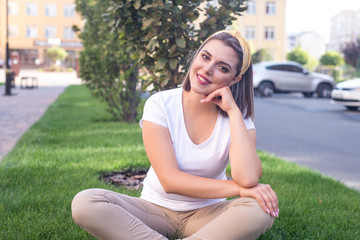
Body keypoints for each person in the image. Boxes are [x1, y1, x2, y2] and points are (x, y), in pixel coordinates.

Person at [71, 30, 279, 240]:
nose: (207, 69)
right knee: (86, 202)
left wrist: (233, 112)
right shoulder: (161, 103)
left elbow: (248, 177)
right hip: (154, 211)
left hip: (209, 216)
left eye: (222, 68)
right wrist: (239, 189)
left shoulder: (238, 118)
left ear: (235, 79)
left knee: (260, 208)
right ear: (197, 55)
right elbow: (170, 181)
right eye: (205, 57)